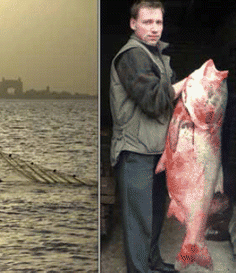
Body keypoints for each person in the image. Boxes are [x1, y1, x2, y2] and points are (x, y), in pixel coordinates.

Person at [109, 1, 178, 272]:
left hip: (157, 150)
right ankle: (140, 269)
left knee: (154, 213)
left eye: (158, 22)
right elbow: (153, 101)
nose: (154, 29)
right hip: (135, 151)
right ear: (133, 24)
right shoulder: (132, 56)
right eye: (147, 22)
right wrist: (185, 85)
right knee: (138, 219)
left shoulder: (155, 55)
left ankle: (153, 262)